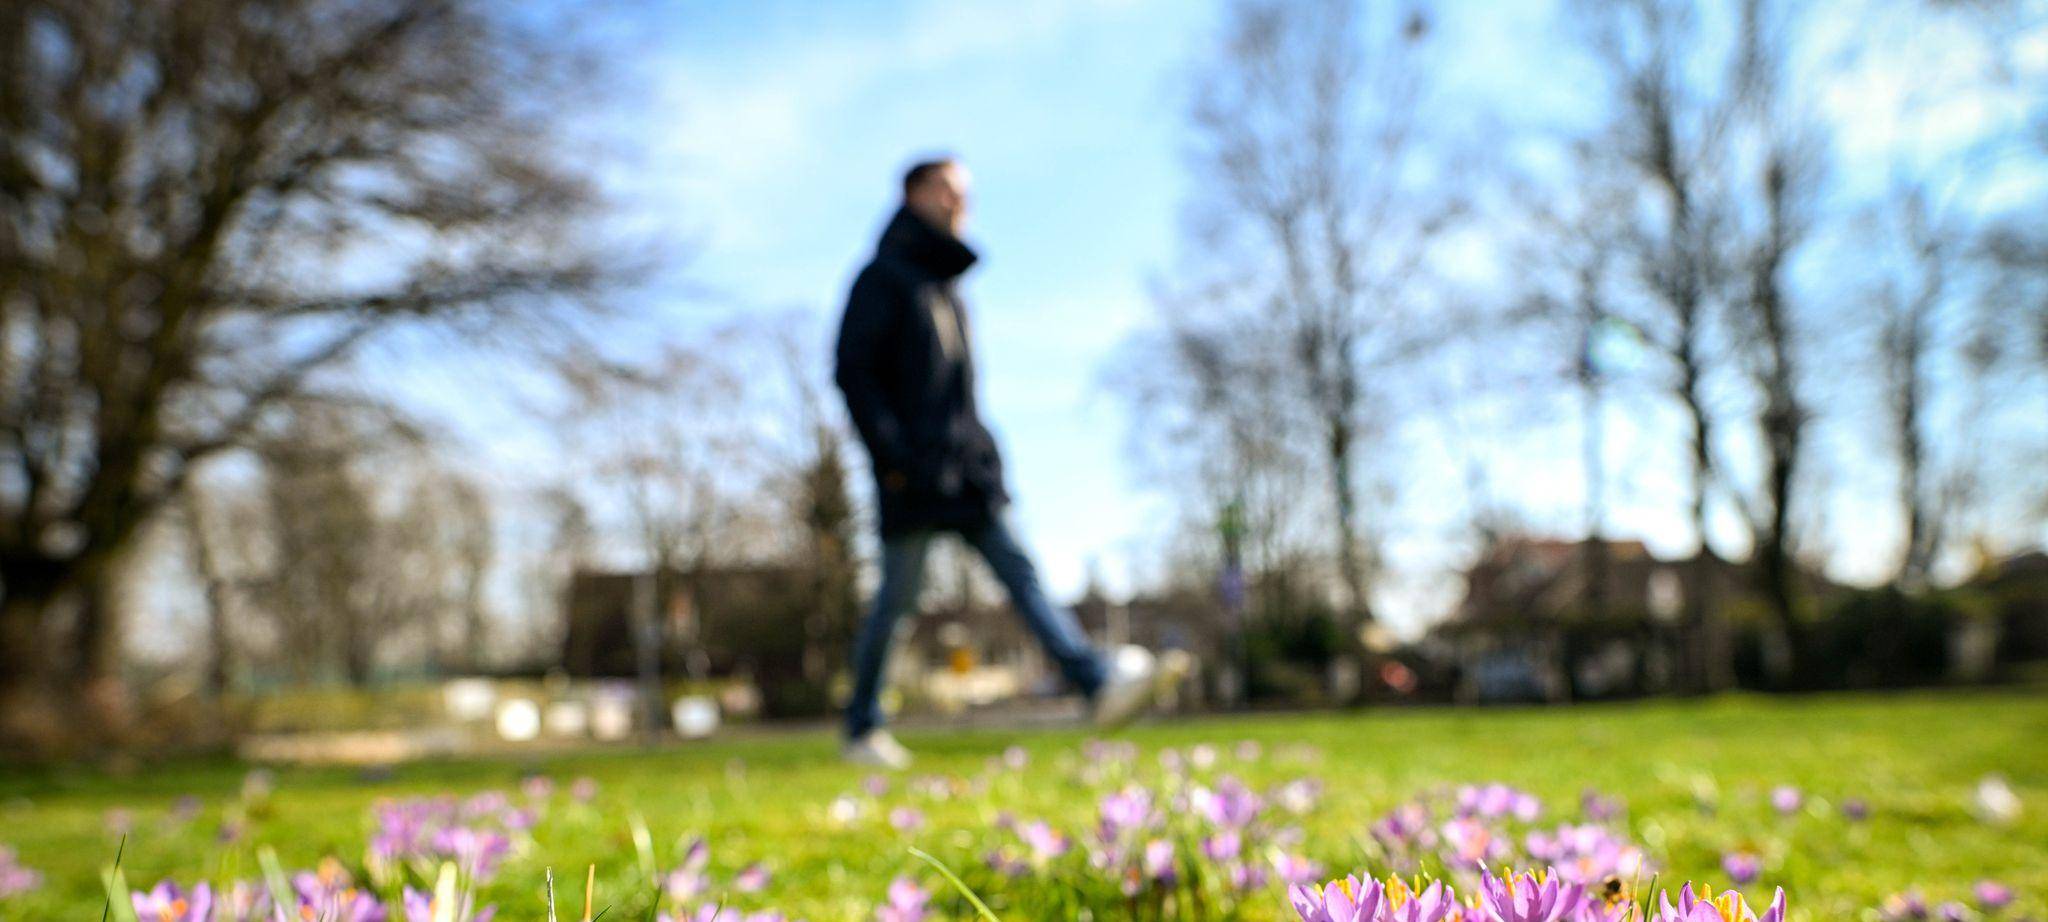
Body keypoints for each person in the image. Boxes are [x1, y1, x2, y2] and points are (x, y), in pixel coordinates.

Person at [833, 157, 1159, 768]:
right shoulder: (885, 278)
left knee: (1022, 572)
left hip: (967, 472)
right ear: (915, 194)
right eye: (949, 192)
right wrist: (895, 459)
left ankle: (1096, 684)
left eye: (967, 196)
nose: (961, 205)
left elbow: (956, 395)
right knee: (896, 603)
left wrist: (980, 452)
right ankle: (862, 728)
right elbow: (854, 374)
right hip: (914, 475)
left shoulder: (945, 287)